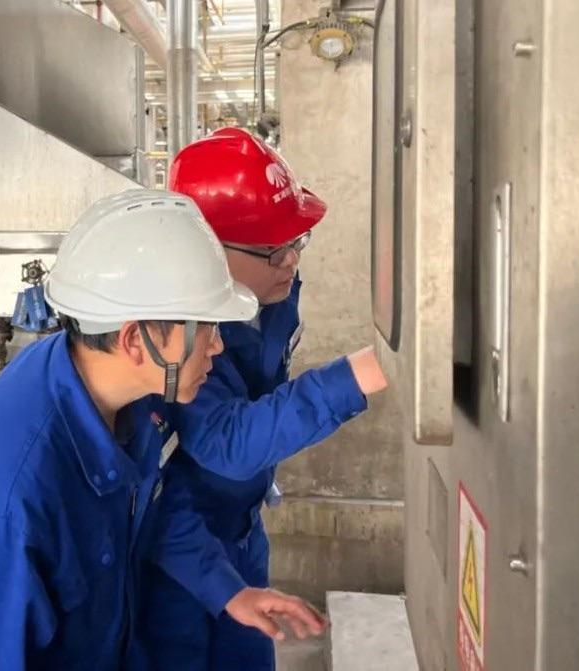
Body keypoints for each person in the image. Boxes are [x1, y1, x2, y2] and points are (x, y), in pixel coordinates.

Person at [0, 189, 326, 671]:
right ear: (134, 339)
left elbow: (153, 508)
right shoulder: (13, 507)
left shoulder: (121, 390)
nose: (217, 346)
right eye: (205, 328)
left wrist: (229, 591)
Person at [139, 129, 388, 670]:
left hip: (241, 532)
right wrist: (355, 376)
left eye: (298, 241)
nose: (292, 260)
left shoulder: (269, 293)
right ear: (206, 250)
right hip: (178, 556)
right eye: (275, 249)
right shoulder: (173, 333)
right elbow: (225, 441)